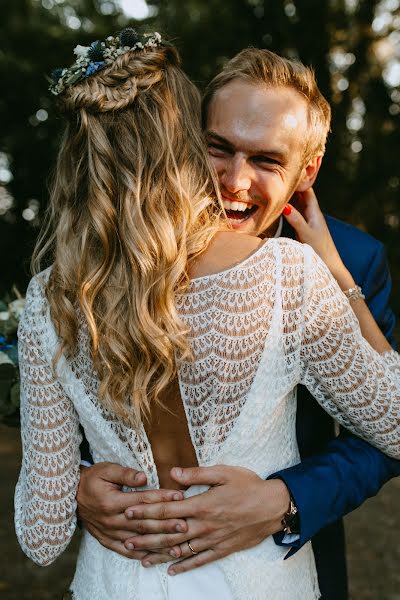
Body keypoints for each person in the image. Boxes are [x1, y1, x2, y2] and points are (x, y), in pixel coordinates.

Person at [15, 32, 400, 600]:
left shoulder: (347, 261)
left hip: (270, 549)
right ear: (184, 141)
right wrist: (78, 485)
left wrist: (285, 498)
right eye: (218, 148)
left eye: (267, 159)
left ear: (308, 169)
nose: (235, 180)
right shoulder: (288, 275)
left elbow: (38, 536)